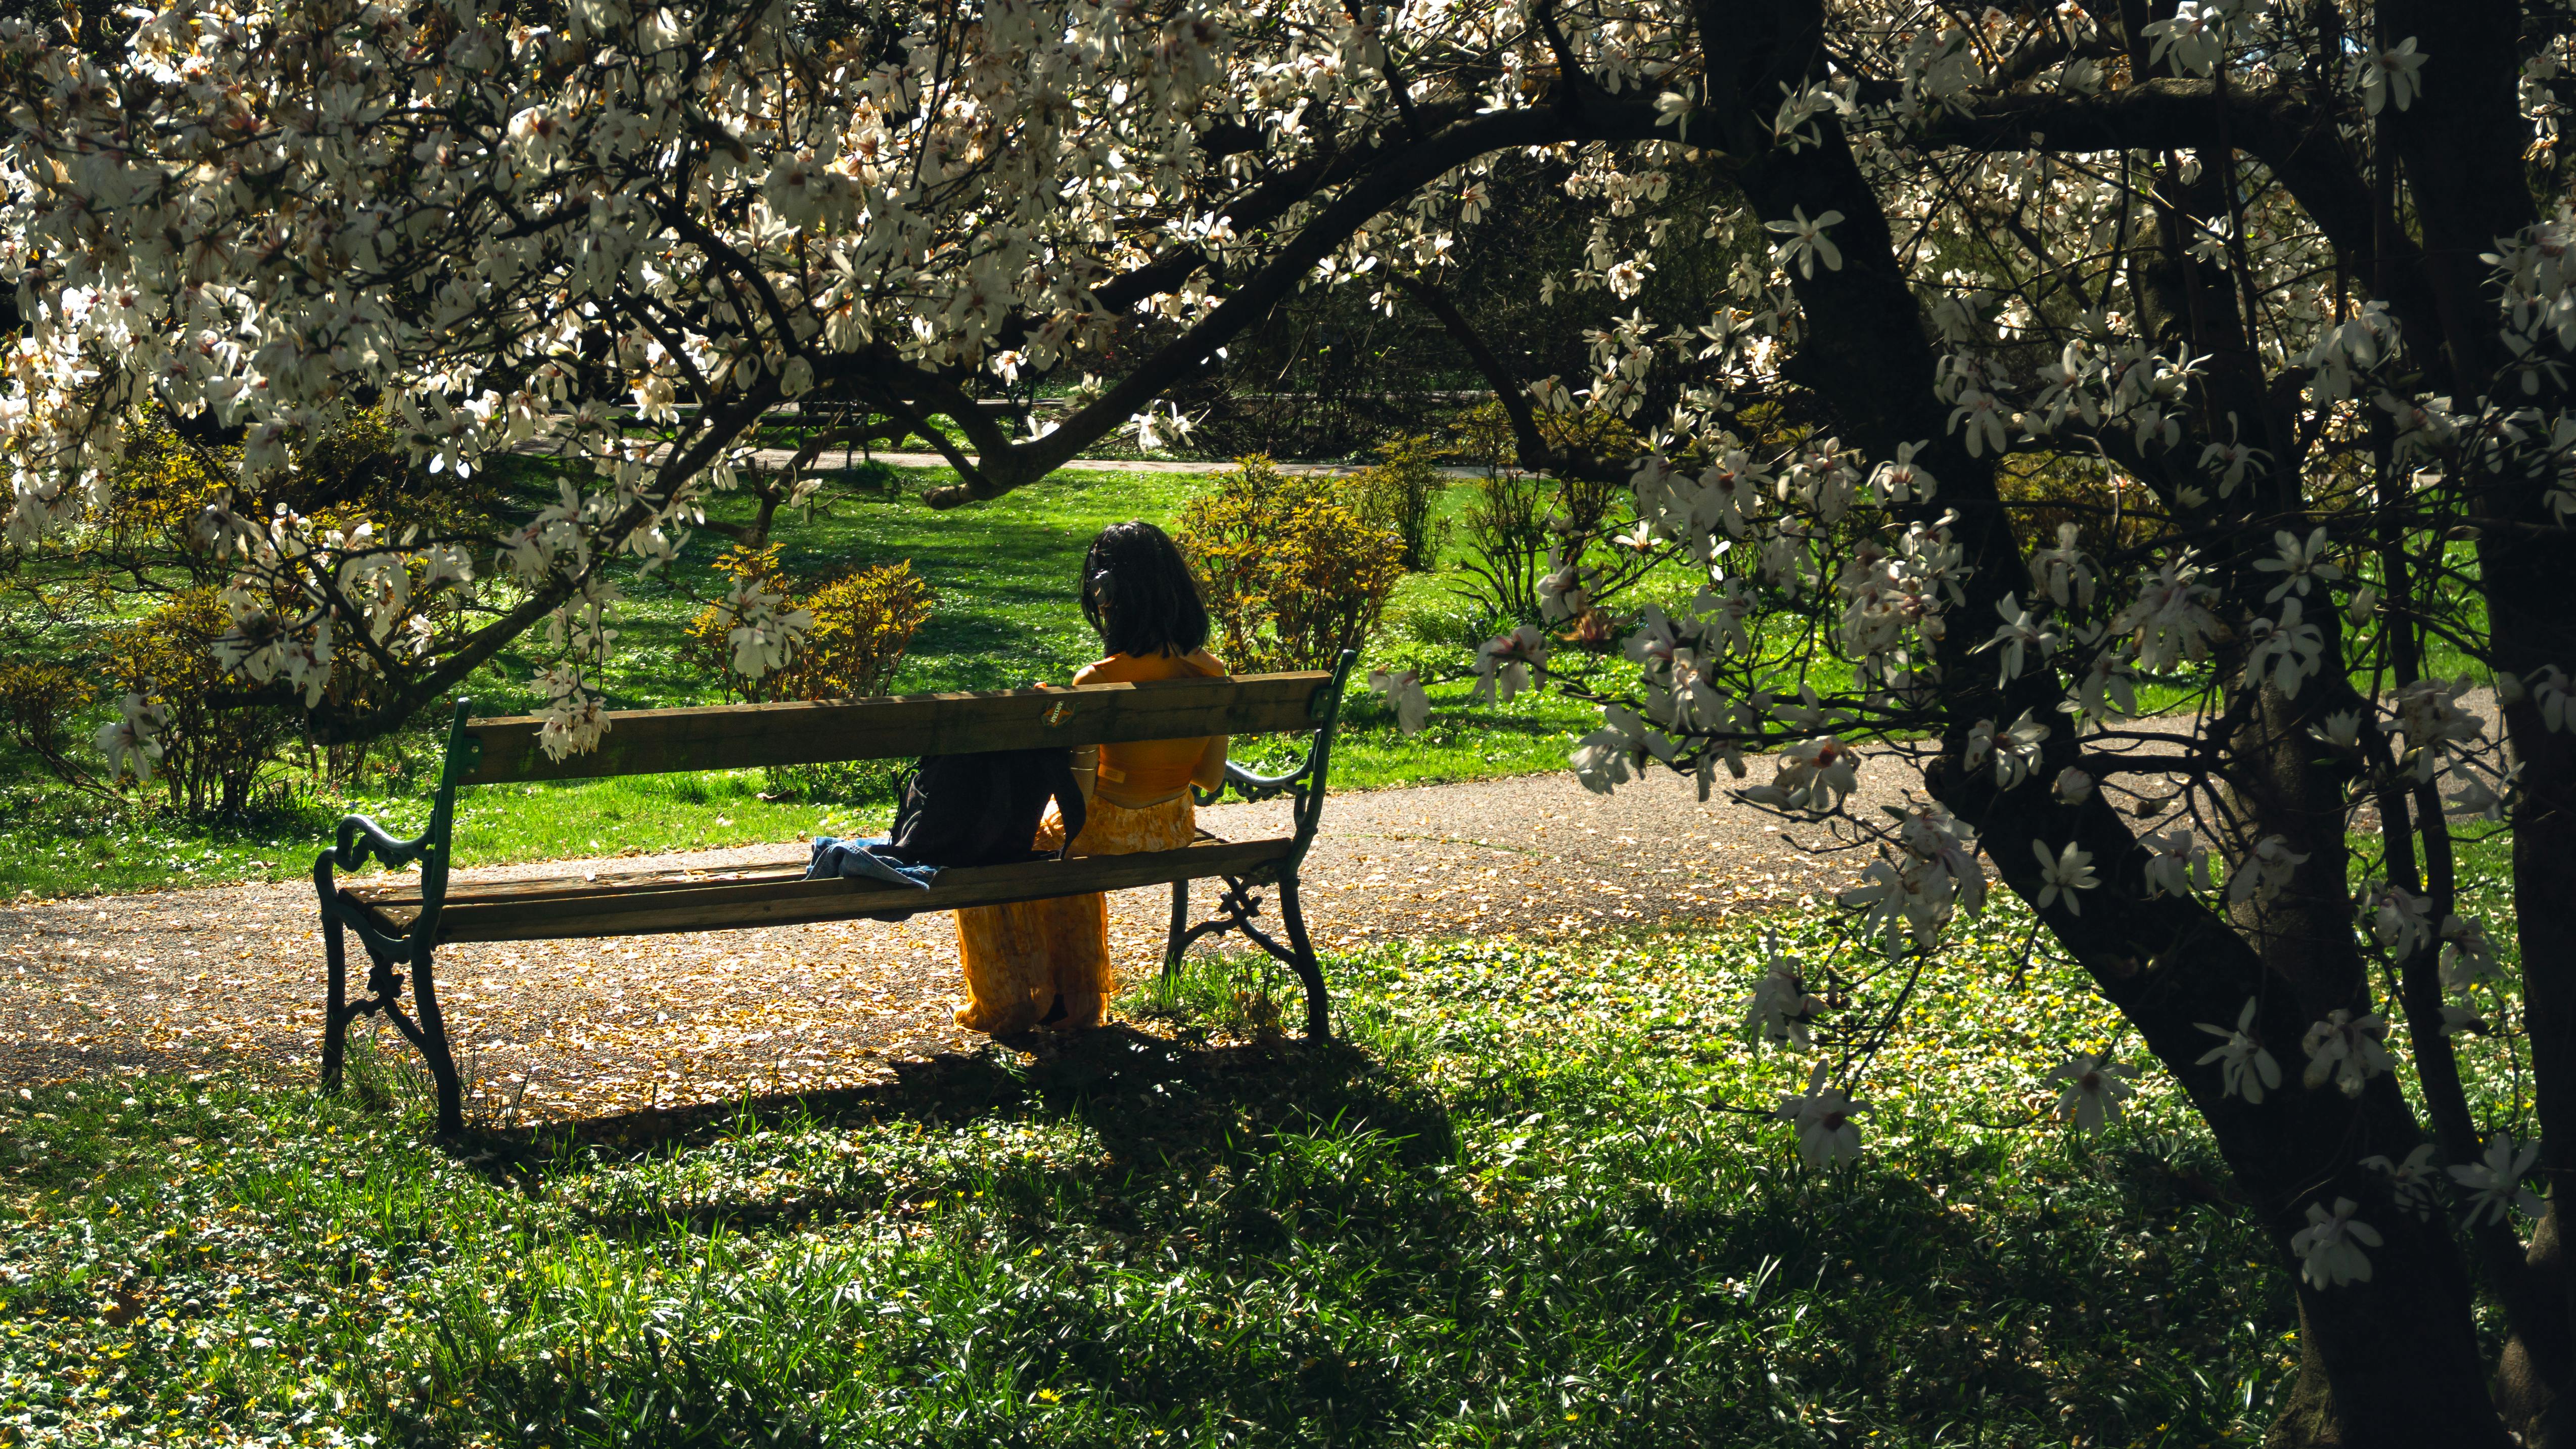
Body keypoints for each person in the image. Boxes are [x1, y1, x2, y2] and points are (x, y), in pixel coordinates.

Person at [951, 521, 1229, 1034]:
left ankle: (1018, 997)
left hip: (1102, 831)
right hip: (1171, 827)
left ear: (1112, 598)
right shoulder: (1213, 674)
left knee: (1004, 848)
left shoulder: (1096, 679)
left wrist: (1055, 714)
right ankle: (1071, 998)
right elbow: (1210, 779)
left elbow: (1078, 799)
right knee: (1062, 846)